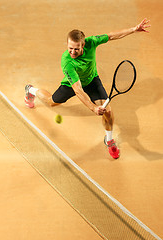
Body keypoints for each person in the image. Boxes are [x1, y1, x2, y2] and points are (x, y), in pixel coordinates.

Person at [24, 18, 150, 159]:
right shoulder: (67, 62)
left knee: (108, 112)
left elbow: (111, 36)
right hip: (71, 84)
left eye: (76, 49)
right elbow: (77, 89)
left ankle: (109, 140)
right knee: (51, 101)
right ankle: (30, 90)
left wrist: (133, 29)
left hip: (92, 81)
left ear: (83, 45)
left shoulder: (91, 42)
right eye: (70, 48)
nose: (72, 51)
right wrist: (93, 108)